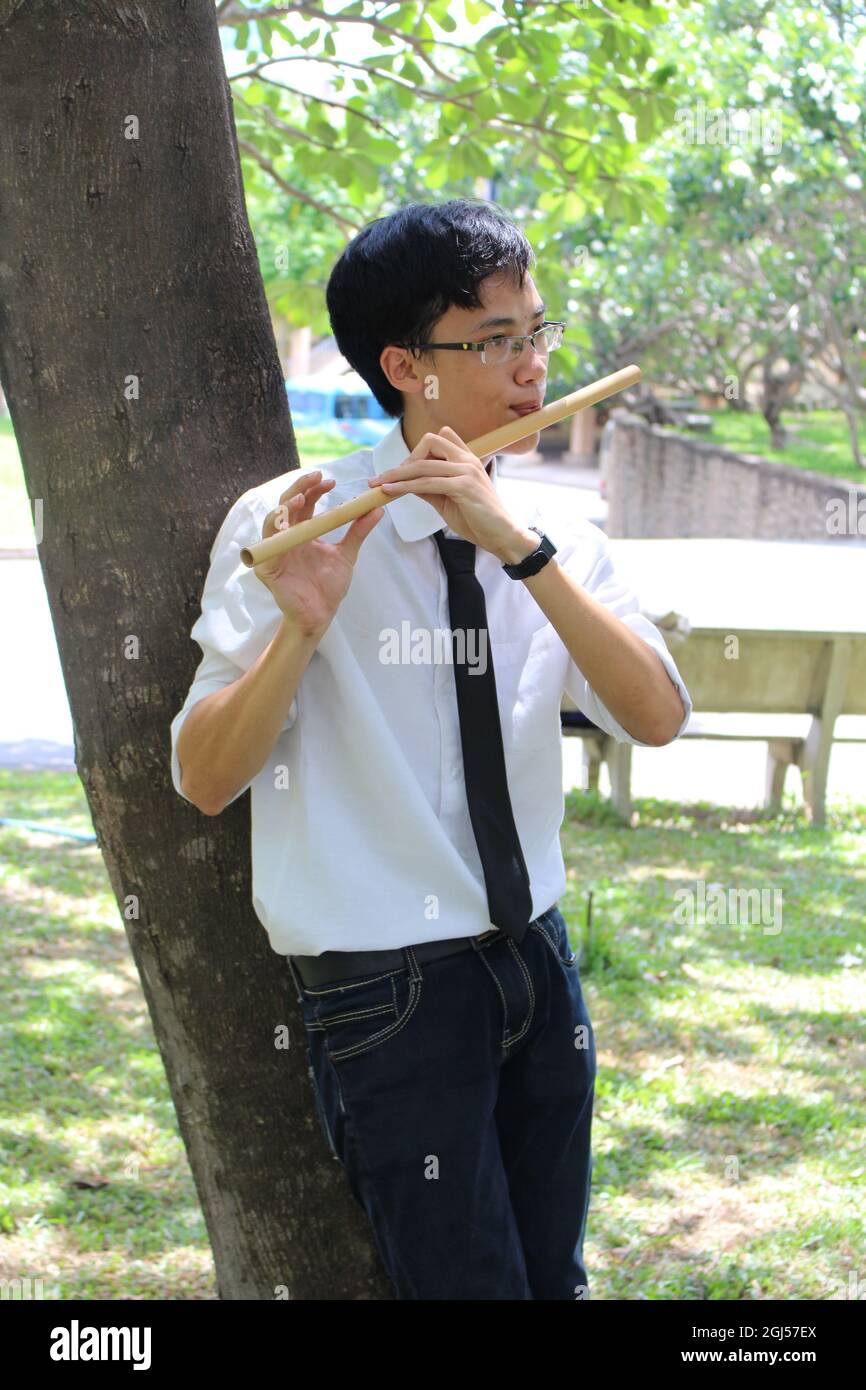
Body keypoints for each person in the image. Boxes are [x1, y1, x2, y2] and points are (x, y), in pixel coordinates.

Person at [170, 199, 693, 1300]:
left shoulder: (557, 538)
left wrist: (523, 551)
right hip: (386, 986)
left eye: (537, 333)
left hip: (538, 961)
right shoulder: (294, 522)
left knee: (554, 1280)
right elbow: (206, 778)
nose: (530, 369)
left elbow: (654, 716)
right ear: (405, 364)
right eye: (494, 341)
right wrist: (301, 628)